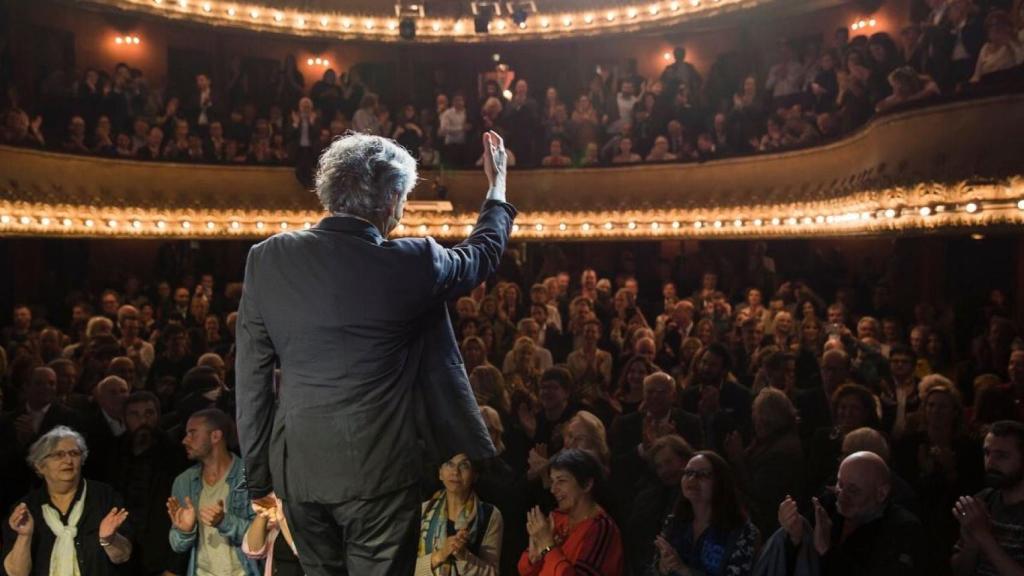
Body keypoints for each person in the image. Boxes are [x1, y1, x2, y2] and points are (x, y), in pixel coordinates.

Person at [236, 131, 514, 575]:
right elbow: (481, 254)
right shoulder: (414, 261)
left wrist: (258, 477)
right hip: (382, 473)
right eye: (404, 199)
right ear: (391, 199)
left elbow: (251, 381)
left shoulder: (267, 258)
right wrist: (496, 190)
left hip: (299, 471)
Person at [3, 426, 133, 576]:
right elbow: (17, 573)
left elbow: (123, 556)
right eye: (58, 455)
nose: (68, 460)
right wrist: (24, 536)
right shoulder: (26, 508)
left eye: (74, 453)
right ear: (40, 466)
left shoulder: (104, 496)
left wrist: (109, 539)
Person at [777, 451, 927, 575]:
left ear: (881, 493)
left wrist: (827, 550)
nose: (842, 496)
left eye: (853, 490)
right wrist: (794, 536)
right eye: (840, 484)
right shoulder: (827, 505)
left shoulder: (903, 529)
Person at [167, 408, 259, 576]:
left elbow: (262, 537)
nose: (185, 440)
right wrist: (185, 531)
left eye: (192, 433)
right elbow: (177, 545)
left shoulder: (248, 476)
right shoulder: (185, 481)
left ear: (215, 436)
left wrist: (224, 522)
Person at [648, 450, 760, 576]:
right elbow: (654, 569)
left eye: (702, 475)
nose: (692, 479)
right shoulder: (674, 522)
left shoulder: (743, 532)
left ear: (721, 482)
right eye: (688, 473)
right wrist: (662, 568)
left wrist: (685, 570)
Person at [518, 449, 624, 575]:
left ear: (587, 484)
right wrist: (534, 559)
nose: (553, 489)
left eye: (561, 481)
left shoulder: (602, 529)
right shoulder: (556, 518)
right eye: (552, 481)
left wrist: (547, 545)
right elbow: (524, 570)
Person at [951, 420, 1024, 575]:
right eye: (987, 453)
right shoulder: (983, 500)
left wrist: (983, 536)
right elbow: (960, 571)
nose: (990, 462)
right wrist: (971, 545)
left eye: (1001, 456)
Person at [416, 453, 503, 575]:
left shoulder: (490, 515)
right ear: (440, 473)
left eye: (464, 466)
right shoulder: (424, 510)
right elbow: (404, 567)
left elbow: (492, 573)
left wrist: (464, 556)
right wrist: (440, 555)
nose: (455, 472)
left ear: (475, 475)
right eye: (449, 464)